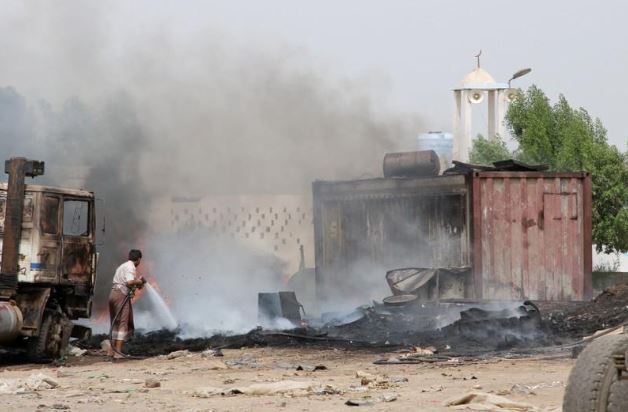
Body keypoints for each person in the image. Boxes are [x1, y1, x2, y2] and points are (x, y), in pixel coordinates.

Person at [108, 249, 146, 358]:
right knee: (123, 323)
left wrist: (136, 283)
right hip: (120, 295)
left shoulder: (123, 266)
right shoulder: (130, 267)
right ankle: (118, 352)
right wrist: (139, 282)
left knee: (115, 323)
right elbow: (129, 282)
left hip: (113, 294)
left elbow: (127, 282)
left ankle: (111, 351)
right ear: (138, 259)